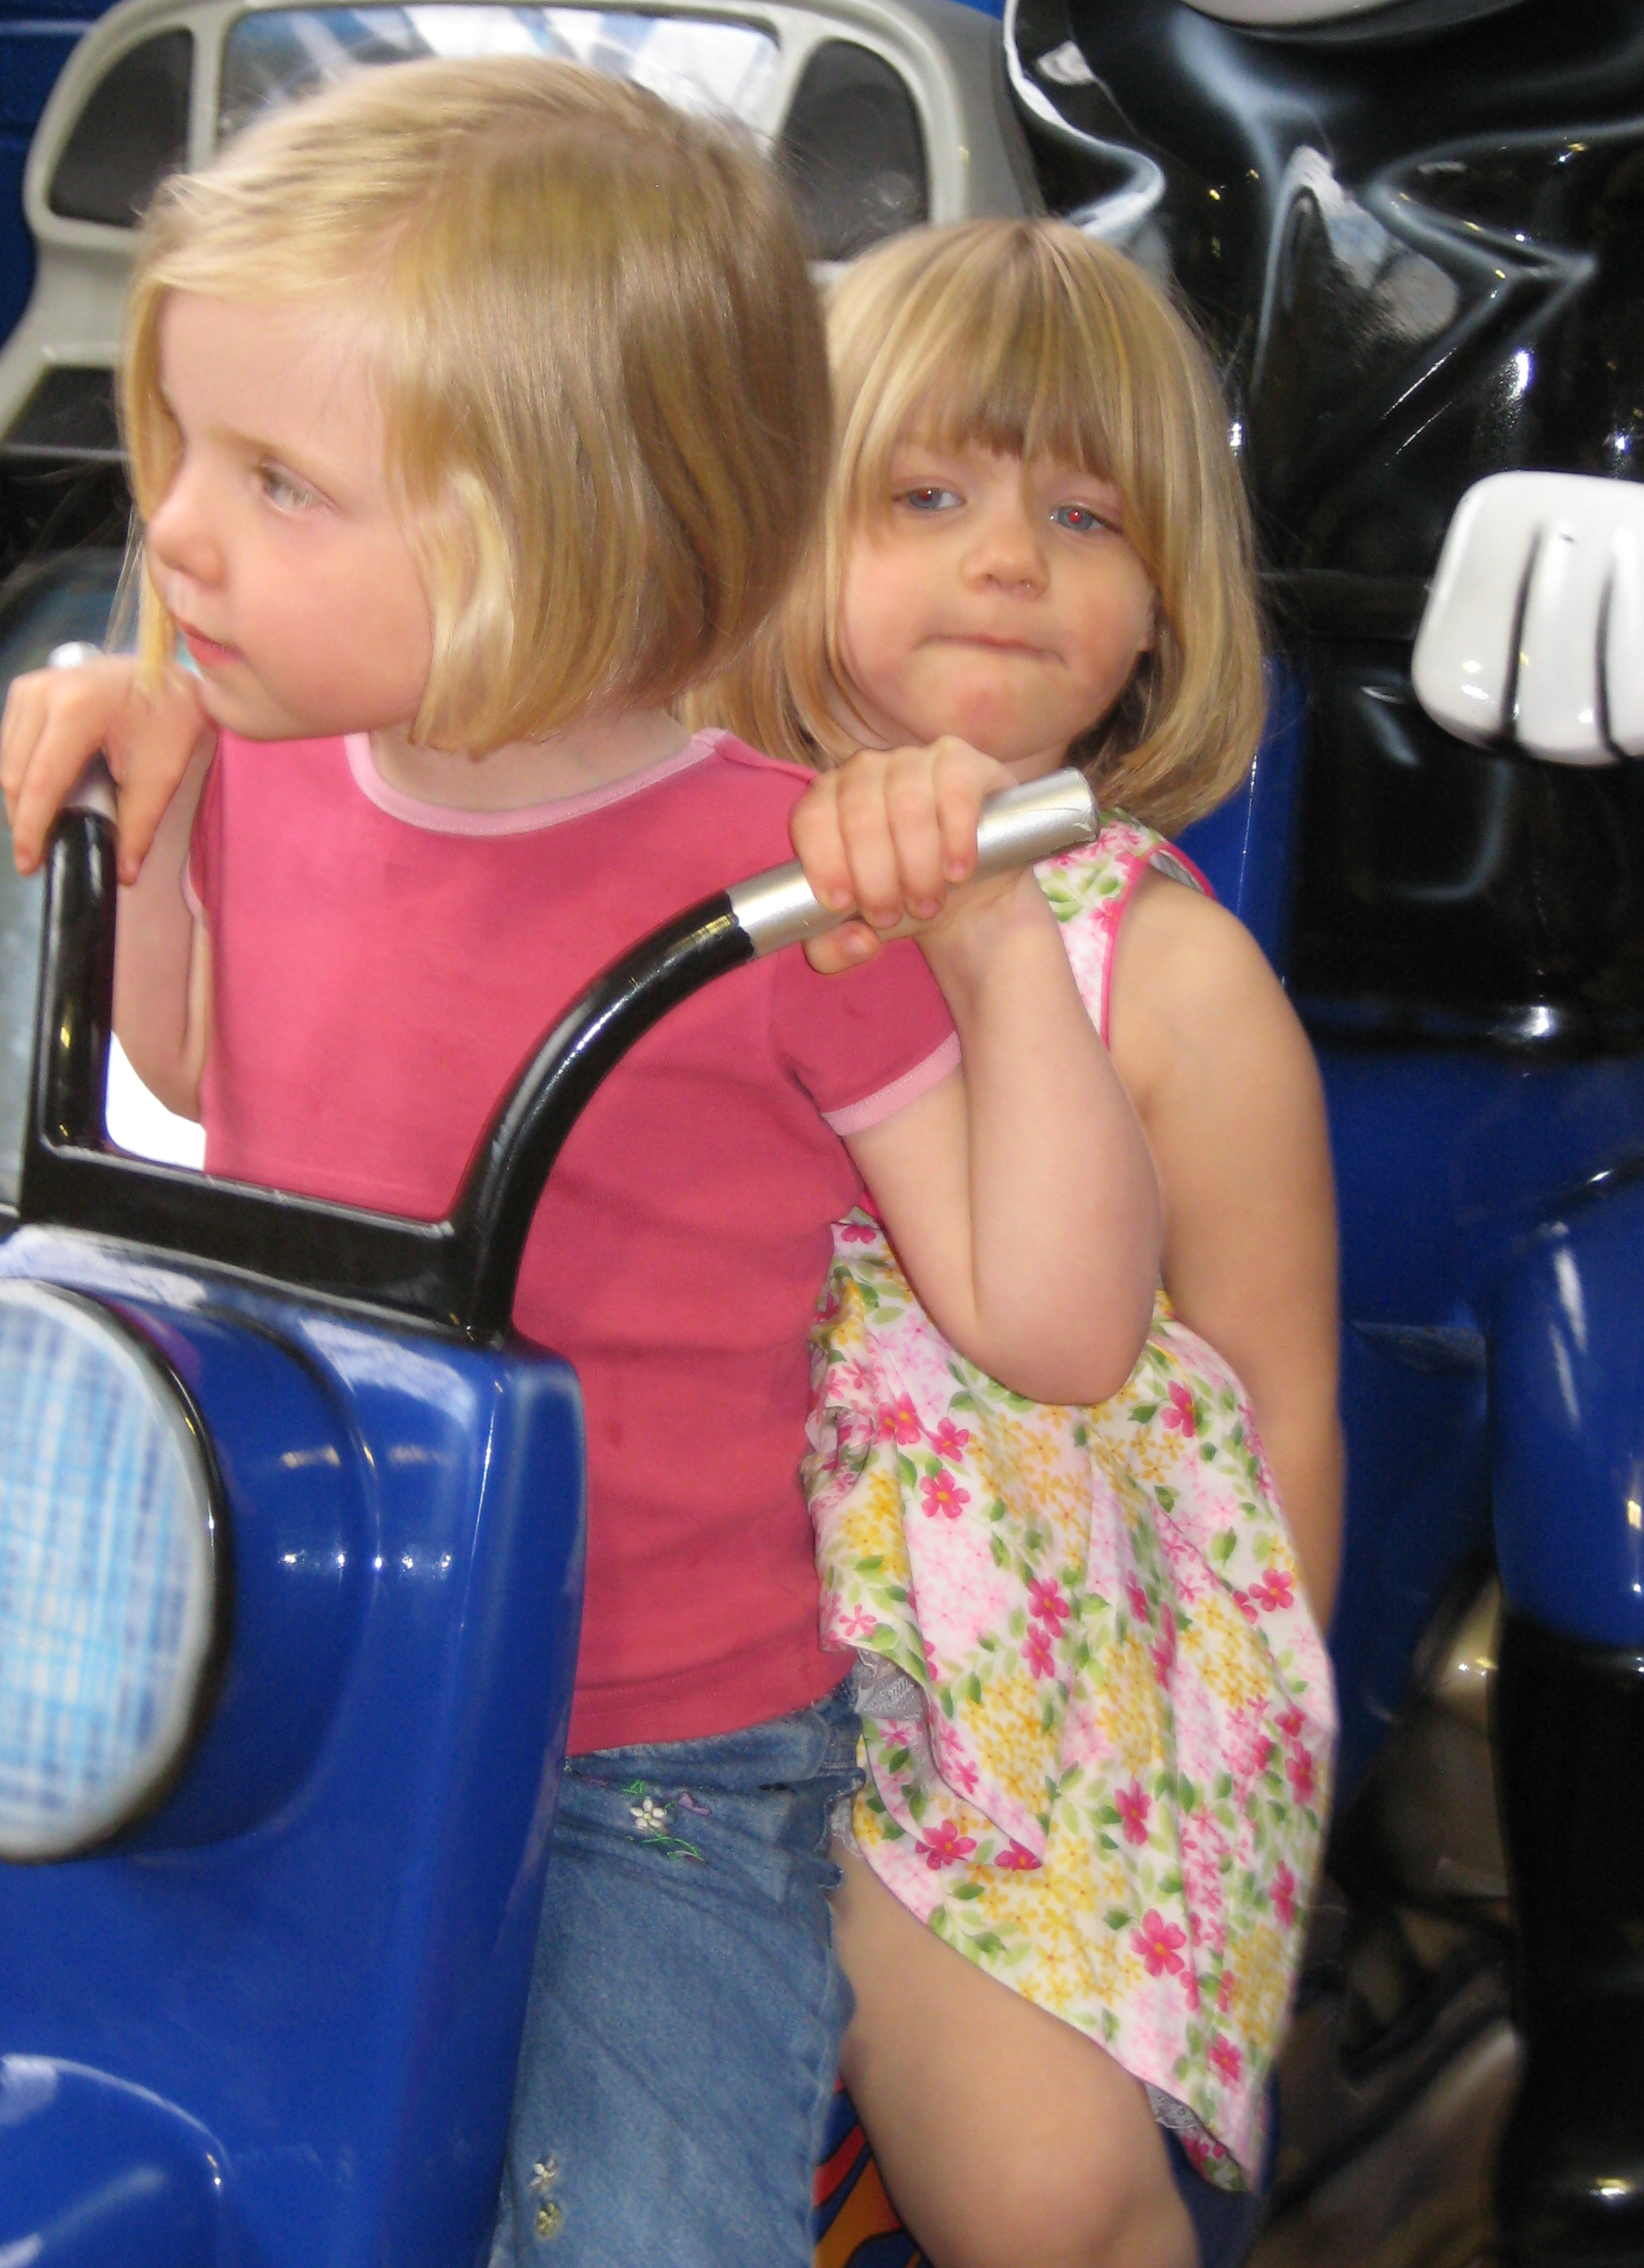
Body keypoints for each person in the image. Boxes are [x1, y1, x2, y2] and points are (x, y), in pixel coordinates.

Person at [0, 60, 1160, 2268]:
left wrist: (994, 941)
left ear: (565, 518)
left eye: (277, 482)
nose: (178, 535)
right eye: (182, 449)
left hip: (643, 1769)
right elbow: (201, 1070)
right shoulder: (276, 766)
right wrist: (138, 833)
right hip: (276, 1653)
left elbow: (1063, 1328)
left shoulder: (781, 891)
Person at [693, 217, 1342, 2268]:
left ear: (1161, 611)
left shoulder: (1167, 972)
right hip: (669, 1631)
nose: (1006, 562)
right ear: (781, 529)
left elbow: (1277, 1402)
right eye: (926, 497)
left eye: (1084, 516)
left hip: (1000, 1726)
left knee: (1049, 2200)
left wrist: (1229, 1783)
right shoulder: (686, 868)